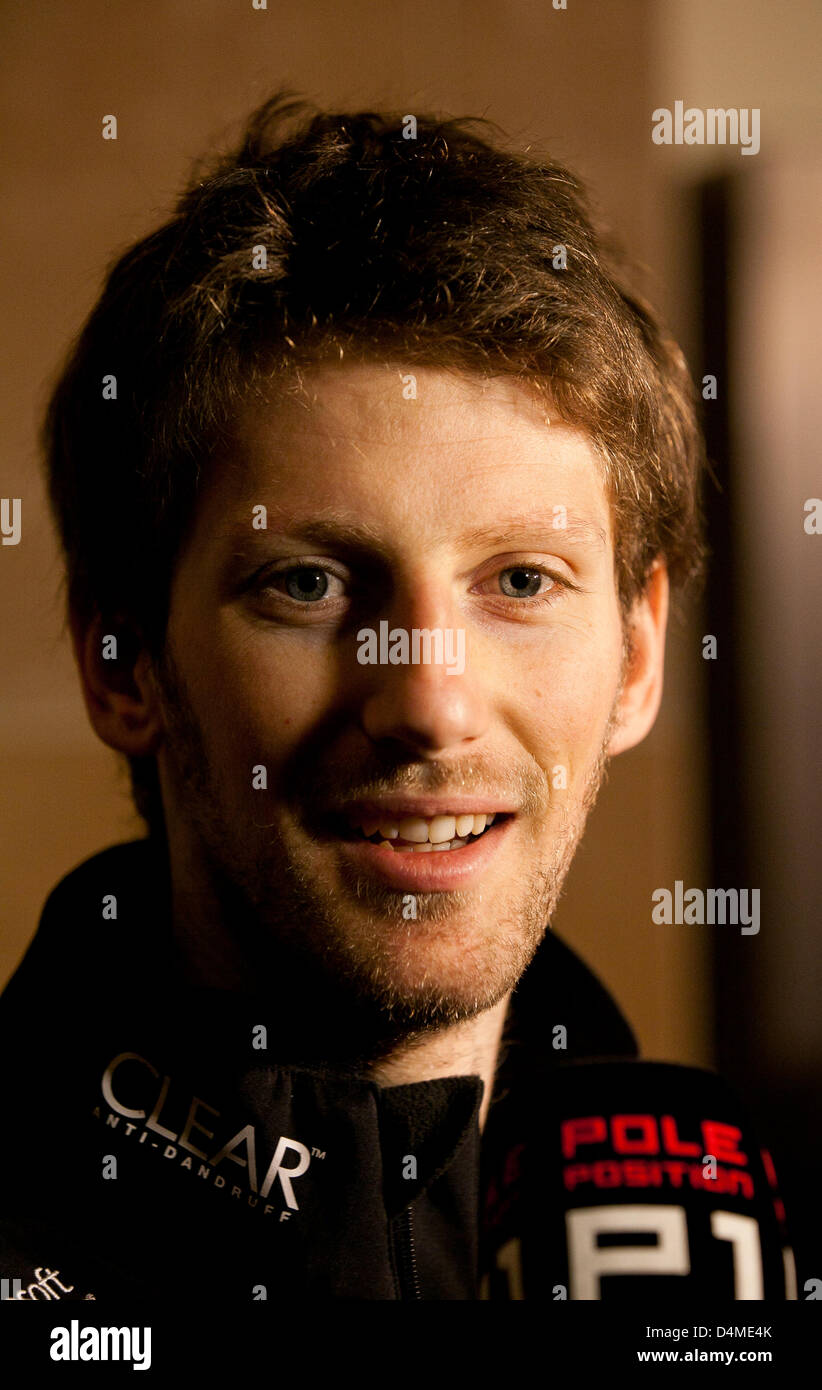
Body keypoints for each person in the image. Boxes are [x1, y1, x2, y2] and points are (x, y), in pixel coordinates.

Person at [0, 90, 790, 1302]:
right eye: (308, 584)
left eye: (521, 579)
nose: (429, 700)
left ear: (637, 657)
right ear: (124, 663)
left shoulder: (725, 1269)